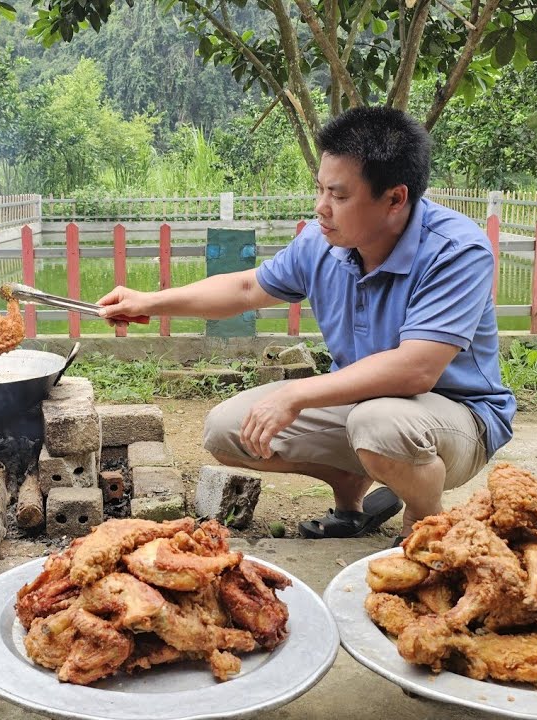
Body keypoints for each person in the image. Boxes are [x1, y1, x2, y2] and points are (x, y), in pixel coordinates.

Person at [97, 106, 516, 543]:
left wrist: (295, 394)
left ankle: (426, 525)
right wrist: (149, 301)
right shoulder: (321, 241)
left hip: (458, 416)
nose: (321, 208)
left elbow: (417, 369)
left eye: (338, 195)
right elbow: (245, 289)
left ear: (395, 199)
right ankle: (351, 495)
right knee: (228, 431)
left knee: (379, 425)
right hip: (363, 403)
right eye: (320, 189)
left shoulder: (456, 250)